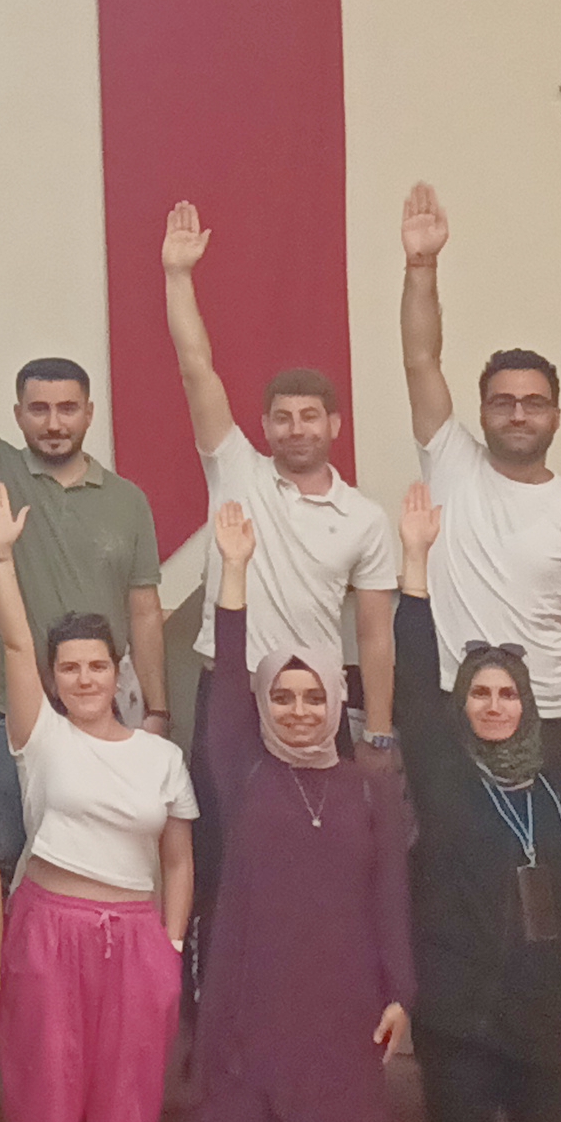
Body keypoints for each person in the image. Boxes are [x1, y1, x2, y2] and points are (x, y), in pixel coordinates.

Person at [0, 483, 195, 1122]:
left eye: (97, 665)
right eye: (69, 668)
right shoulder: (41, 735)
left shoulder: (162, 758)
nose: (84, 678)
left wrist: (170, 947)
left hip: (135, 942)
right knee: (45, 1104)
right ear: (55, 678)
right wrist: (1, 558)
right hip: (47, 932)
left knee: (126, 1112)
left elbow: (179, 859)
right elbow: (11, 645)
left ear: (119, 670)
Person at [392, 482, 561, 1122]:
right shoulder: (442, 773)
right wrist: (415, 565)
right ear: (462, 704)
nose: (494, 706)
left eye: (508, 695)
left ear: (527, 705)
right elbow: (412, 685)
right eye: (480, 694)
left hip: (545, 1016)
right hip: (459, 1017)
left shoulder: (555, 789)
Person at [0, 213, 171, 878]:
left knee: (86, 862)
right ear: (18, 416)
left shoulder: (128, 500)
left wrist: (156, 709)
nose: (55, 422)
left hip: (96, 708)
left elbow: (146, 612)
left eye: (68, 408)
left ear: (89, 413)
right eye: (39, 409)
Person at [193, 498, 415, 1122]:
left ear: (336, 703)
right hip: (252, 1001)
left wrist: (400, 994)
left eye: (313, 698)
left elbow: (391, 898)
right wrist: (235, 573)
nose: (297, 711)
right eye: (283, 697)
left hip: (341, 1006)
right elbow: (230, 682)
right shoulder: (243, 770)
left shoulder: (369, 789)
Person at [164, 200, 400, 756]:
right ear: (266, 426)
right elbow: (196, 368)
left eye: (310, 417)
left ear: (334, 425)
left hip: (315, 702)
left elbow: (374, 635)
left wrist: (379, 729)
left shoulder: (365, 519)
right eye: (283, 418)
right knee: (220, 820)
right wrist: (178, 276)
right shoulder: (235, 468)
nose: (297, 429)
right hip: (231, 695)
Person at [398, 186, 561, 782]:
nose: (518, 414)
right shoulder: (451, 460)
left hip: (546, 712)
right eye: (503, 402)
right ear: (483, 411)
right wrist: (422, 267)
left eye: (533, 403)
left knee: (542, 844)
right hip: (451, 702)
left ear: (556, 417)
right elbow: (421, 360)